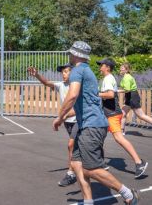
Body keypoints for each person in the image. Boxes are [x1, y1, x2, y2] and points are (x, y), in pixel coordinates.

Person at [53, 41, 139, 205]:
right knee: (77, 164)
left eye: (70, 53)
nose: (69, 55)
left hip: (91, 126)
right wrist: (64, 117)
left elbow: (72, 96)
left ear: (76, 54)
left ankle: (128, 194)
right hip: (90, 124)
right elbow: (85, 103)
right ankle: (88, 201)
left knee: (90, 168)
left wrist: (59, 117)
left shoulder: (77, 71)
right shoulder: (87, 71)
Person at [28, 64, 78, 187]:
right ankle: (96, 160)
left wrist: (63, 116)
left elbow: (81, 107)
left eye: (66, 71)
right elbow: (47, 83)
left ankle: (71, 174)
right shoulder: (60, 85)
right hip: (68, 121)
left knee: (71, 145)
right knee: (77, 146)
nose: (64, 74)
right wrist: (37, 75)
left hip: (79, 119)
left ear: (73, 73)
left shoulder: (76, 87)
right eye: (63, 72)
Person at [97, 58, 148, 179]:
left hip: (112, 113)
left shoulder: (109, 78)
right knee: (98, 136)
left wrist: (95, 94)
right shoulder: (104, 79)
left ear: (107, 67)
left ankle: (139, 163)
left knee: (119, 139)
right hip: (105, 113)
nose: (99, 67)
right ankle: (99, 162)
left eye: (101, 65)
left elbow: (110, 94)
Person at [119, 62, 152, 134]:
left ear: (126, 70)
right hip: (129, 96)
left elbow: (127, 90)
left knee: (141, 116)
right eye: (120, 68)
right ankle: (121, 131)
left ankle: (121, 131)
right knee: (123, 114)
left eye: (122, 68)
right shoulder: (126, 76)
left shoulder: (127, 77)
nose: (120, 70)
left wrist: (117, 91)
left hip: (132, 97)